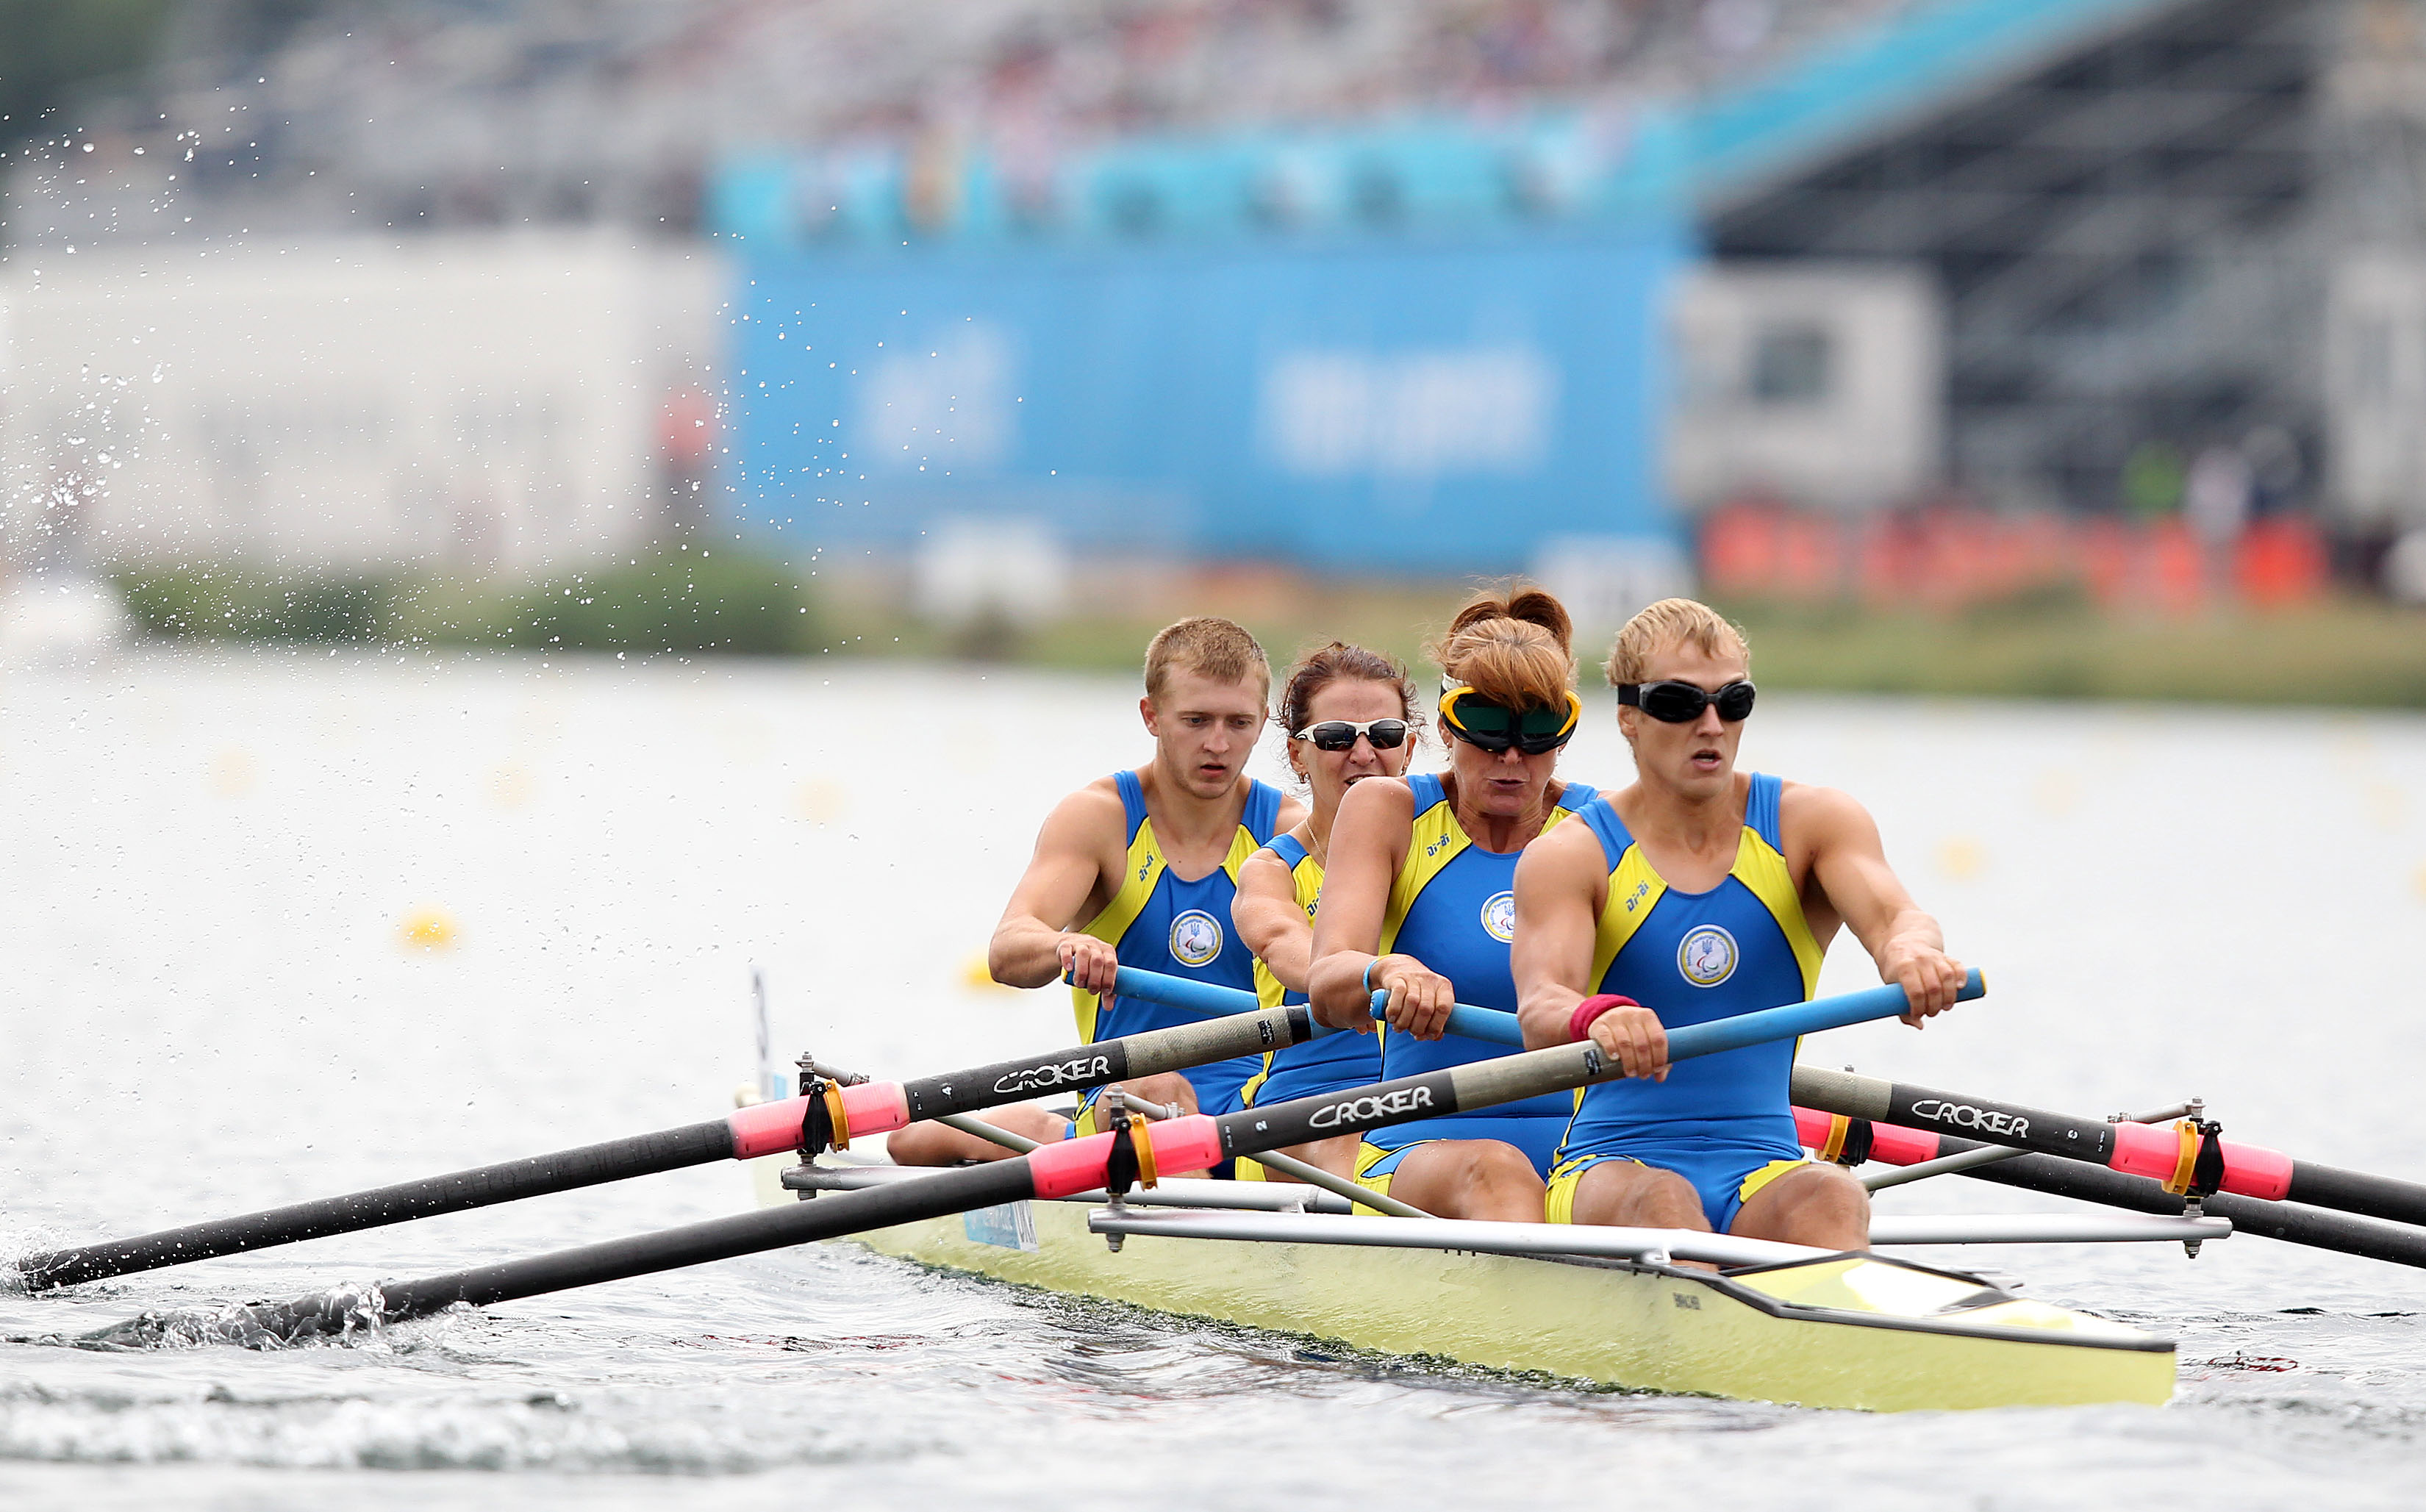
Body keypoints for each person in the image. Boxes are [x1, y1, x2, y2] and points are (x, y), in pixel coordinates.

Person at [1512, 598, 1966, 1249]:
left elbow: (1900, 918)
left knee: (1833, 1192)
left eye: (1733, 700)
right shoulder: (1571, 854)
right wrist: (1598, 1016)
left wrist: (1913, 955)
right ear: (1629, 717)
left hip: (1764, 1165)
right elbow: (1541, 1004)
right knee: (1664, 1201)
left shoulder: (1813, 824)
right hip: (1611, 1169)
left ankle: (1831, 1333)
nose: (1711, 723)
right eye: (1679, 702)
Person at [887, 616, 1302, 1168]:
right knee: (908, 1140)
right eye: (1196, 720)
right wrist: (1062, 947)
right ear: (1151, 716)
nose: (1218, 743)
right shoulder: (1099, 819)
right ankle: (1042, 1134)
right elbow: (1009, 948)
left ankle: (1050, 1138)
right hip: (1131, 1096)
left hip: (1257, 1104)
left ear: (1264, 722)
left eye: (1238, 722)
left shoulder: (1290, 829)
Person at [1306, 588, 1598, 1220]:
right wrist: (1389, 970)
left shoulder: (1600, 827)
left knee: (1668, 1192)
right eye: (1490, 728)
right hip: (1421, 1140)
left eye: (1539, 730)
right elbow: (1328, 985)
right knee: (1498, 1173)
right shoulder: (1388, 811)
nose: (1514, 757)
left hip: (1583, 1145)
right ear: (1444, 724)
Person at [1230, 642, 1423, 1180]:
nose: (1363, 754)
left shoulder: (1444, 856)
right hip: (1304, 1111)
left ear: (1407, 748)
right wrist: (1360, 974)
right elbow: (1297, 956)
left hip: (1422, 1101)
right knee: (1350, 1138)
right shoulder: (1271, 872)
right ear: (1297, 755)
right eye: (1336, 738)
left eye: (1384, 735)